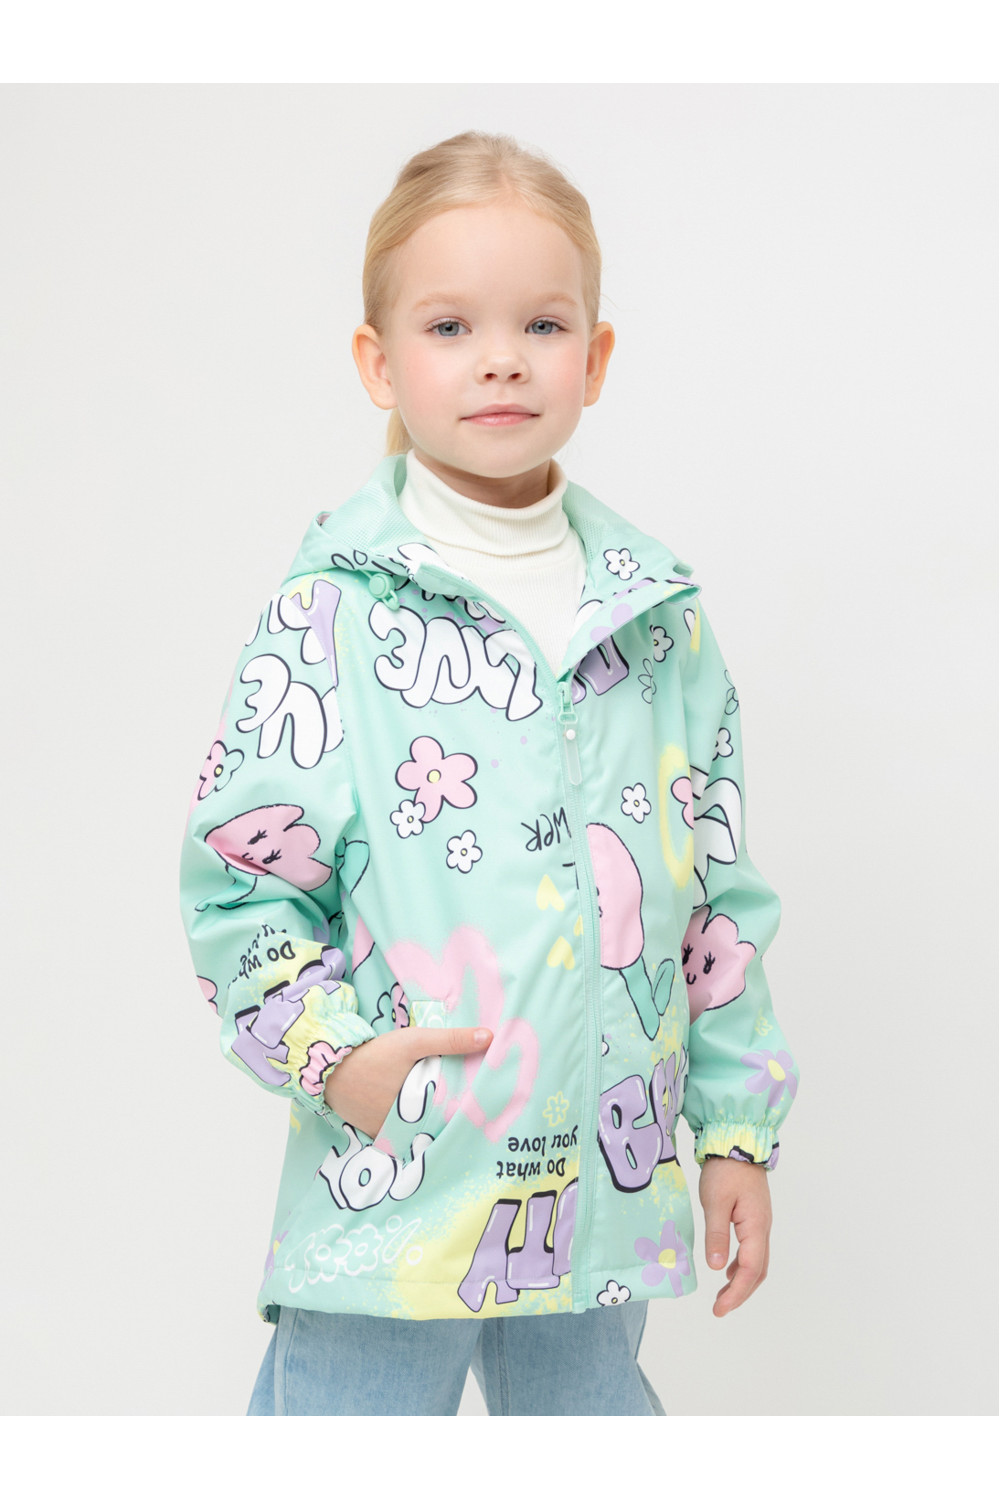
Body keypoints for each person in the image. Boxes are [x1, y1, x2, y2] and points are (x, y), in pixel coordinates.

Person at [180, 130, 800, 1417]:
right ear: (380, 362)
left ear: (596, 358)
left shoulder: (657, 620)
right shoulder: (331, 615)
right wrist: (336, 1058)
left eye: (543, 324)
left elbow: (715, 901)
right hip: (398, 1197)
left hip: (600, 1210)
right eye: (452, 326)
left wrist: (734, 1131)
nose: (502, 358)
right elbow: (241, 886)